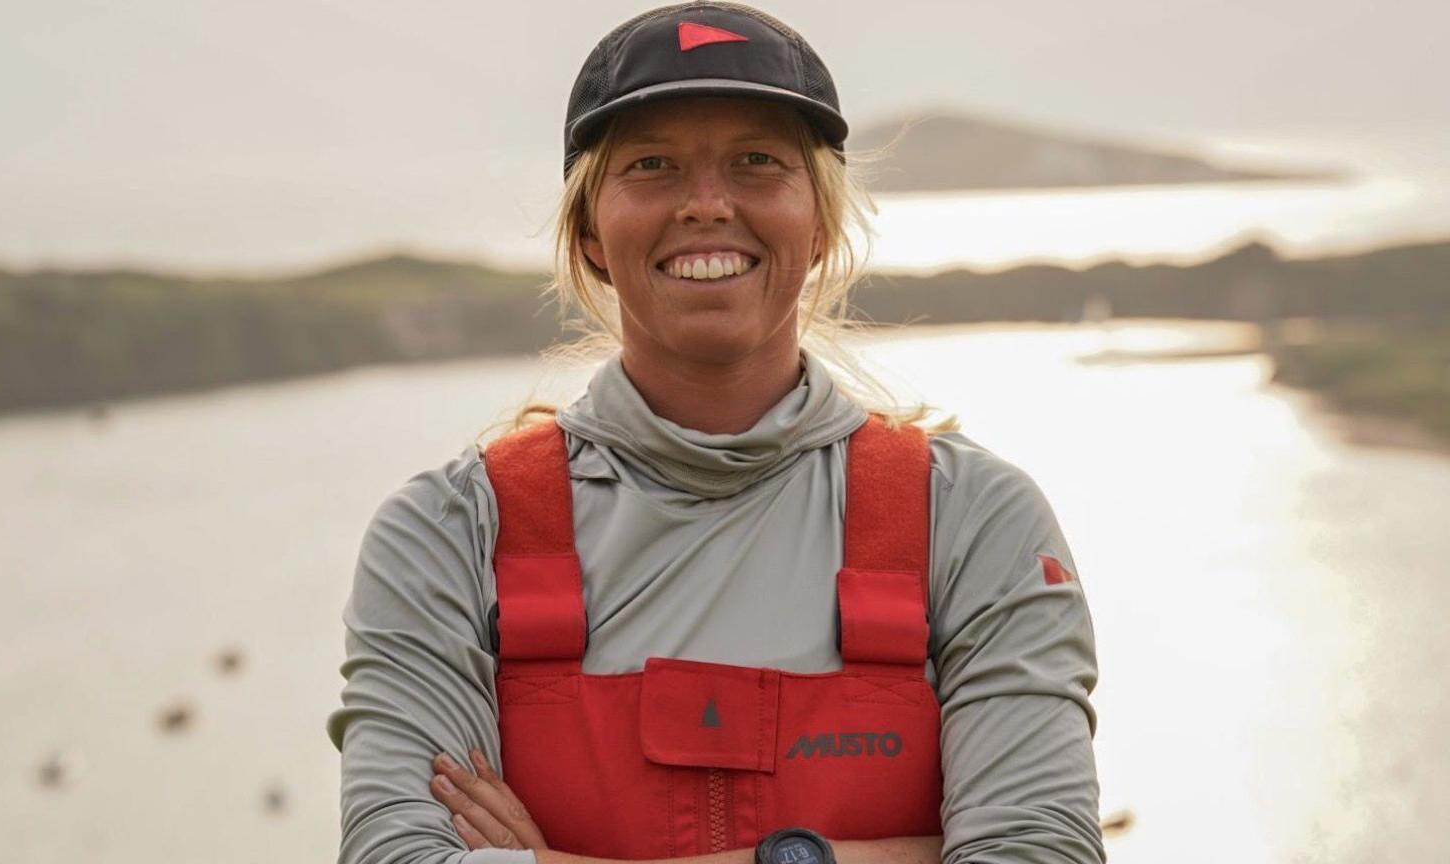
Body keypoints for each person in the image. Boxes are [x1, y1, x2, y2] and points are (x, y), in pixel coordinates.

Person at [325, 3, 1104, 863]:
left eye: (756, 163)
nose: (706, 205)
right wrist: (891, 853)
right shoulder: (449, 535)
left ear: (821, 224)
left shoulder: (972, 522)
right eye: (652, 165)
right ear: (588, 231)